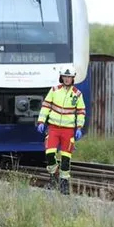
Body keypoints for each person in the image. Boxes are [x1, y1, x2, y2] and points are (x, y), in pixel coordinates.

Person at [36, 66, 86, 195]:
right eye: (65, 76)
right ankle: (54, 177)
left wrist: (79, 127)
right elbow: (46, 106)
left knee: (65, 158)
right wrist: (41, 121)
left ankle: (64, 183)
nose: (67, 79)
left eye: (69, 77)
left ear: (73, 78)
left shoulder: (77, 94)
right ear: (61, 77)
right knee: (49, 154)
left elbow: (81, 112)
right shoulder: (54, 90)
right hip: (53, 128)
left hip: (68, 130)